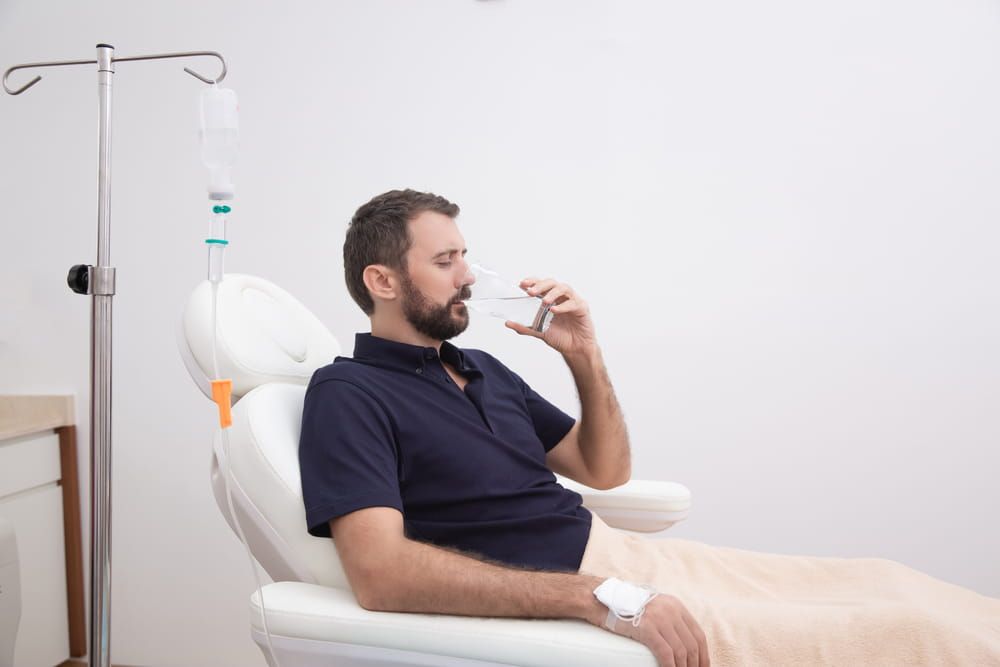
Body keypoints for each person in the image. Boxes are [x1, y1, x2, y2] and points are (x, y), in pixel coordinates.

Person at [299, 189, 1000, 667]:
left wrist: (584, 355)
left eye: (465, 256)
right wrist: (600, 596)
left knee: (889, 581)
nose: (469, 277)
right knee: (908, 634)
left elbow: (603, 470)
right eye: (445, 261)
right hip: (584, 581)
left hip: (622, 557)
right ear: (384, 281)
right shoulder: (349, 392)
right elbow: (380, 574)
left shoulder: (479, 365)